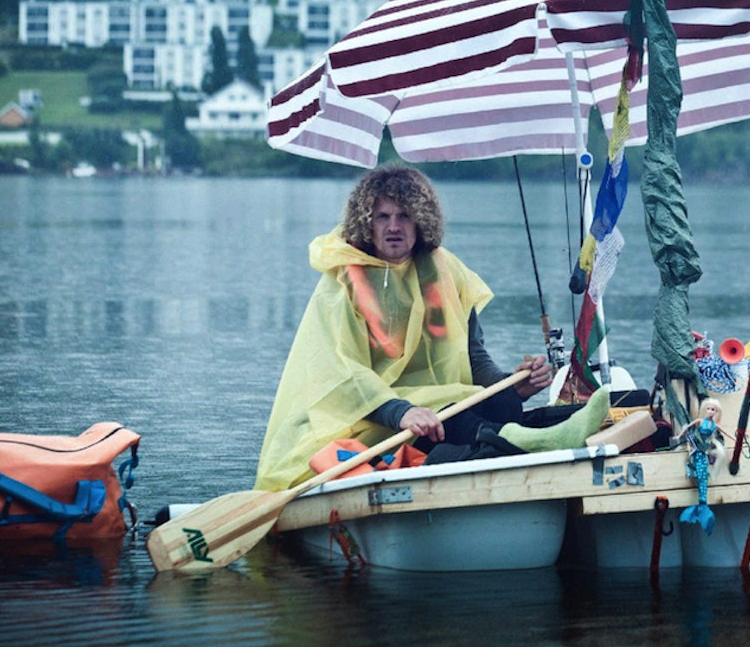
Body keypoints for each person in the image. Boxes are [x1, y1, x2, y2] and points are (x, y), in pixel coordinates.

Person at [254, 164, 610, 492]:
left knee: (498, 407)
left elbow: (472, 357)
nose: (394, 227)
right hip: (364, 419)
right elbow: (341, 374)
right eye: (382, 217)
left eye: (405, 216)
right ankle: (535, 443)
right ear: (366, 223)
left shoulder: (442, 269)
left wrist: (512, 385)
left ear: (421, 221)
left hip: (438, 407)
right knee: (451, 414)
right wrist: (401, 411)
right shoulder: (344, 281)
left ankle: (533, 437)